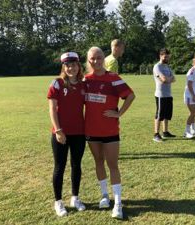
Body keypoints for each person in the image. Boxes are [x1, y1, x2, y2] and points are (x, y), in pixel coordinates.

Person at [84, 47, 135, 220]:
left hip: (110, 130)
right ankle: (105, 195)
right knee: (98, 162)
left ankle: (118, 202)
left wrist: (119, 113)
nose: (96, 61)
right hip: (91, 130)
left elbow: (130, 95)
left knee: (113, 165)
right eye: (92, 58)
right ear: (88, 60)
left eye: (99, 58)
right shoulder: (85, 80)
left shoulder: (113, 78)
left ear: (103, 59)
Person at [47, 52, 86, 216]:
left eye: (74, 65)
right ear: (63, 67)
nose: (71, 68)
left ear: (79, 66)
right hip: (61, 134)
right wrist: (58, 130)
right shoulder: (57, 83)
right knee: (59, 167)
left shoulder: (84, 85)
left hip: (79, 133)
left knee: (76, 166)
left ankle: (75, 198)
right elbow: (52, 109)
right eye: (67, 65)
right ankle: (58, 202)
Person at [153, 48, 176, 142]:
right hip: (160, 95)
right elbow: (164, 80)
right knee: (159, 114)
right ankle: (156, 134)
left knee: (167, 114)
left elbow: (174, 79)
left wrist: (168, 79)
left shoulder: (167, 67)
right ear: (160, 56)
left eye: (168, 56)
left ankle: (165, 132)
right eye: (165, 56)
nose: (167, 58)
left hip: (168, 94)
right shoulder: (157, 67)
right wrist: (168, 79)